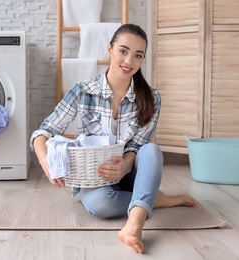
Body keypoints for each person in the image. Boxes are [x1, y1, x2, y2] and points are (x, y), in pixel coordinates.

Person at [30, 23, 197, 254]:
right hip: (96, 176)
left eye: (138, 56)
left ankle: (134, 224)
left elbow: (139, 145)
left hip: (130, 172)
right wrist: (45, 160)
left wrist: (127, 165)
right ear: (109, 49)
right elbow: (43, 131)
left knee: (152, 150)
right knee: (101, 205)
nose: (129, 61)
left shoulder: (152, 98)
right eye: (123, 51)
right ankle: (153, 199)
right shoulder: (83, 91)